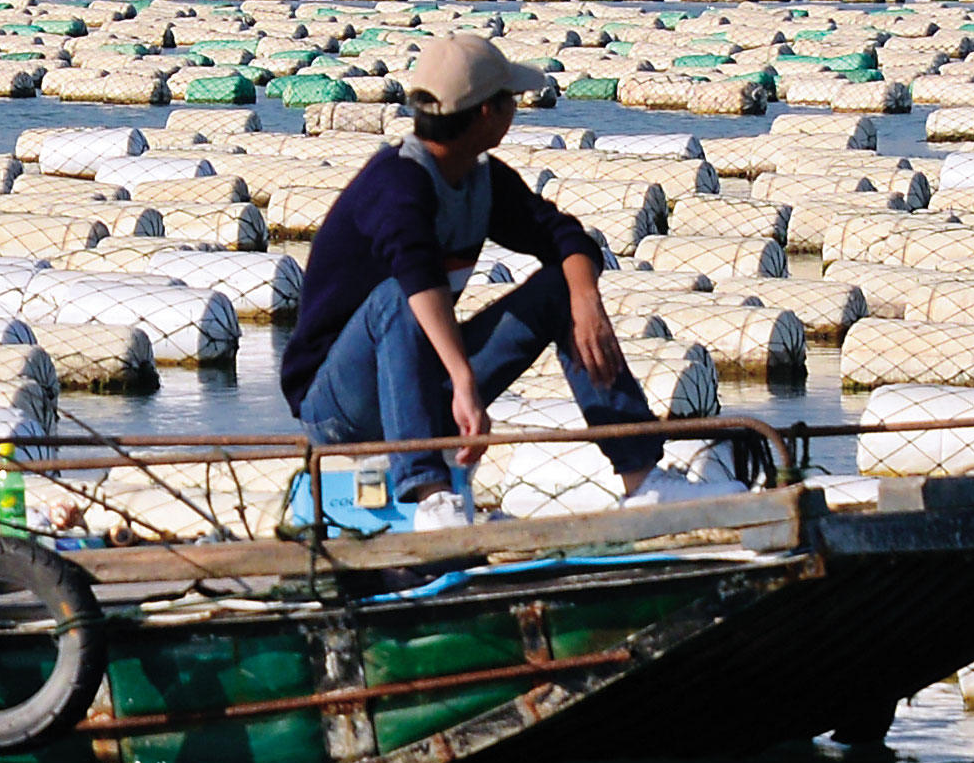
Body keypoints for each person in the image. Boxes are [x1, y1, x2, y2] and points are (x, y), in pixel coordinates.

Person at [268, 25, 695, 512]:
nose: (516, 108)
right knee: (396, 296)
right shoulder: (395, 182)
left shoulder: (483, 180)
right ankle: (431, 495)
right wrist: (464, 382)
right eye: (511, 99)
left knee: (561, 286)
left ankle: (643, 479)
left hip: (428, 381)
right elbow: (416, 276)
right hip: (339, 406)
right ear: (489, 112)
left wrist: (585, 299)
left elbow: (563, 236)